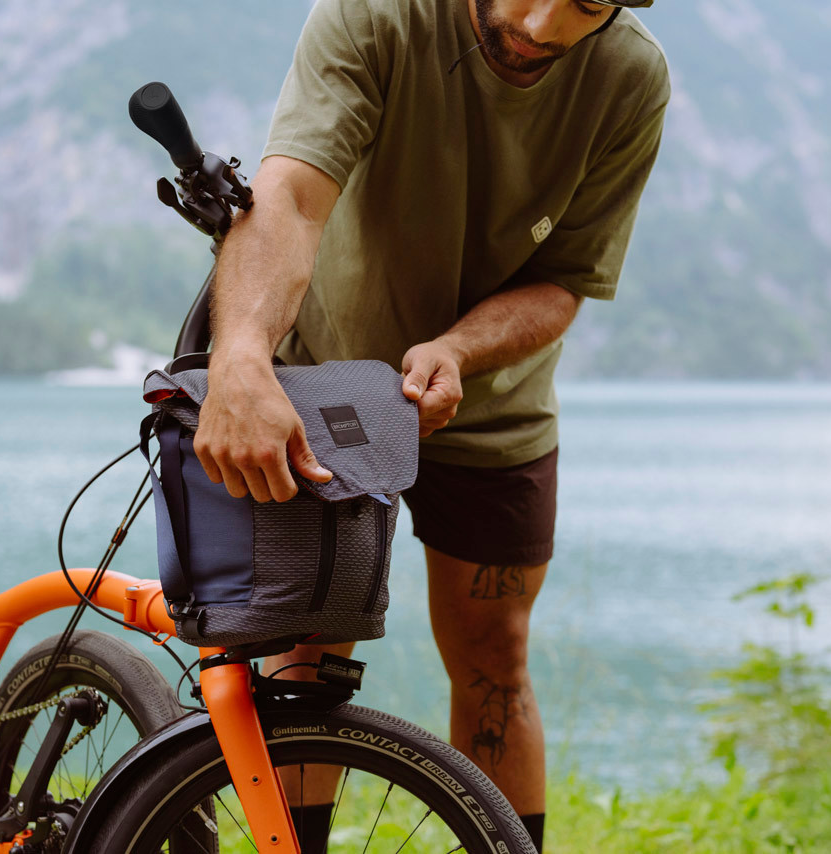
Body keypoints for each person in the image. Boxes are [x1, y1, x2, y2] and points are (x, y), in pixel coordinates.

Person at [192, 0, 669, 850]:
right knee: (306, 652)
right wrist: (238, 360)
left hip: (495, 406)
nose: (541, 24)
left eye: (587, 6)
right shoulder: (376, 15)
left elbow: (563, 278)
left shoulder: (630, 75)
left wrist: (456, 348)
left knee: (496, 661)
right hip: (330, 384)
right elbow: (291, 196)